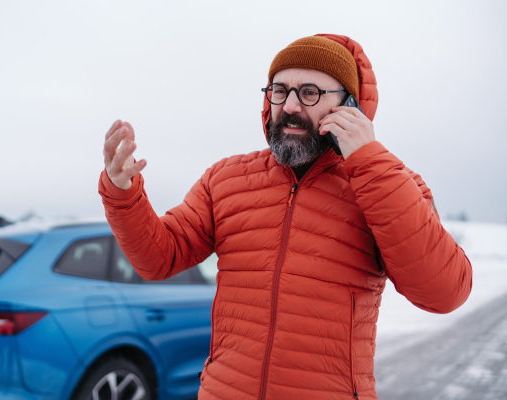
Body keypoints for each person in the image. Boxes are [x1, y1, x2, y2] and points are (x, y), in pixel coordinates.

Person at [98, 34, 472, 400]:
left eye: (310, 93)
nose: (291, 105)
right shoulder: (227, 179)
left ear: (350, 106)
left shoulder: (387, 183)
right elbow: (157, 258)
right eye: (280, 90)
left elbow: (444, 293)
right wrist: (123, 191)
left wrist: (369, 161)